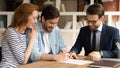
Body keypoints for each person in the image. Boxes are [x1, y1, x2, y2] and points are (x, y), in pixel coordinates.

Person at [0, 3, 39, 68]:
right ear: (24, 17)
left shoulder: (26, 32)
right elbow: (23, 61)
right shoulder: (11, 32)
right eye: (34, 18)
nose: (36, 21)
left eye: (37, 18)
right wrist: (32, 39)